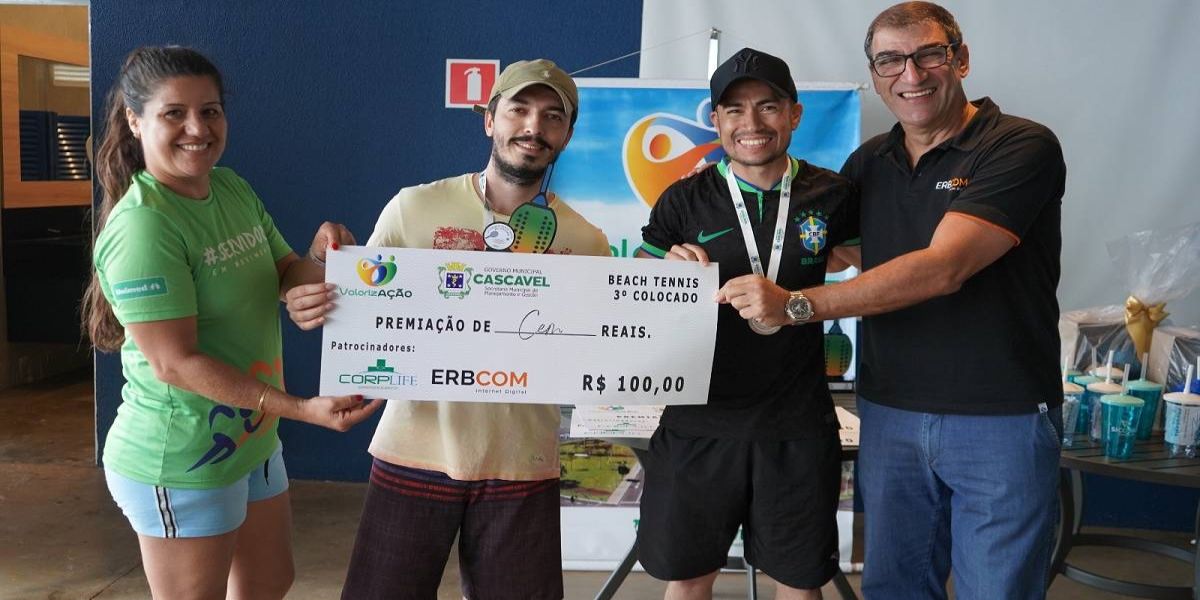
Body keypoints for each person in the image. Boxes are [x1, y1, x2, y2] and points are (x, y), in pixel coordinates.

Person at [720, 4, 1066, 598]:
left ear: (960, 59)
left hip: (1000, 417)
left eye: (929, 54)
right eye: (890, 60)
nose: (911, 74)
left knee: (997, 590)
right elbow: (825, 251)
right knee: (894, 589)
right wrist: (696, 236)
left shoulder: (1019, 145)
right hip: (889, 415)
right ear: (875, 74)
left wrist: (796, 306)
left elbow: (944, 267)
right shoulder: (869, 163)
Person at [284, 59, 609, 599]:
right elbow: (359, 310)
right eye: (519, 109)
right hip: (414, 450)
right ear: (490, 119)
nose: (534, 127)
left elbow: (599, 345)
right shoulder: (414, 208)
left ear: (567, 136)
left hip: (523, 461)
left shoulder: (587, 240)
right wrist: (318, 290)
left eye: (553, 116)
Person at [84, 46, 382, 600]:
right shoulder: (145, 226)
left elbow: (286, 272)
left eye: (210, 111)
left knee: (269, 582)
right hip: (182, 455)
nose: (197, 128)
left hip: (250, 439)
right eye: (174, 113)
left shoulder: (230, 188)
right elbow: (176, 364)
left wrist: (321, 257)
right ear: (135, 120)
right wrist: (301, 409)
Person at [634, 47, 859, 600]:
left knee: (800, 582)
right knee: (688, 579)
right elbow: (639, 278)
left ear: (795, 114)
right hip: (699, 420)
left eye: (768, 106)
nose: (751, 123)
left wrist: (810, 287)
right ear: (716, 120)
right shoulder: (684, 197)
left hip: (796, 424)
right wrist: (662, 269)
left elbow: (873, 275)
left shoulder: (834, 194)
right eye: (734, 110)